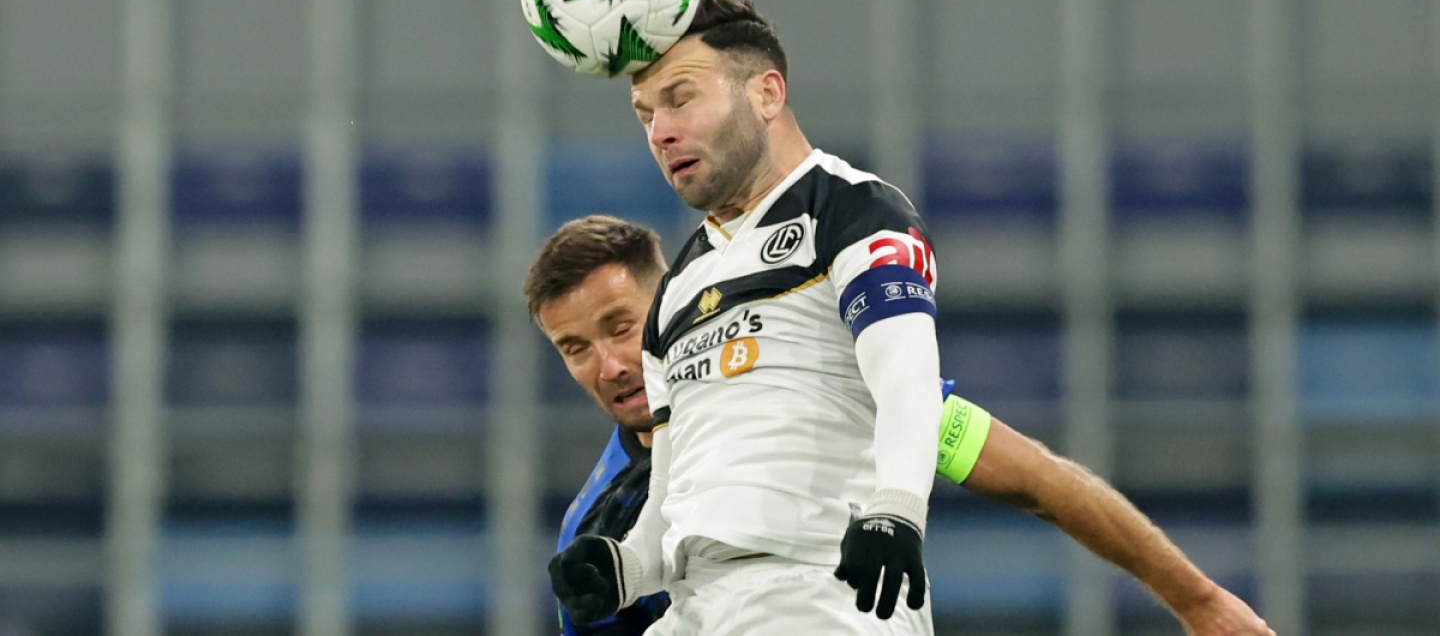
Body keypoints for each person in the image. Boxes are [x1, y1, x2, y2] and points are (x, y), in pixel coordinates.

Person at [527, 215, 1274, 636]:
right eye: (574, 348)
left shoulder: (825, 386)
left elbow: (1038, 480)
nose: (610, 364)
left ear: (673, 305)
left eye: (621, 326)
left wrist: (1198, 600)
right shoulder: (594, 533)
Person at [547, 0, 946, 636]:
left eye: (680, 99)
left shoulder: (854, 212)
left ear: (767, 93)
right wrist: (622, 570)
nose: (660, 132)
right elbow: (670, 498)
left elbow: (907, 377)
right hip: (697, 608)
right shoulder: (676, 290)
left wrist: (897, 511)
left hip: (818, 592)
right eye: (646, 115)